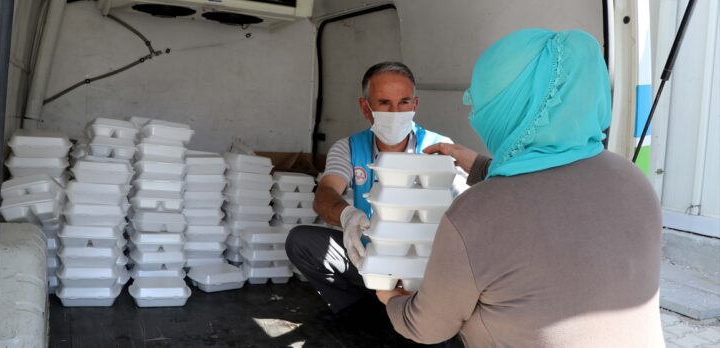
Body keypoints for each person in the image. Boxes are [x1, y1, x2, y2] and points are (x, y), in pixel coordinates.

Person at [375, 29, 665, 347]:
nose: (476, 116)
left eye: (486, 104)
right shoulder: (634, 180)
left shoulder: (476, 214)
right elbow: (551, 200)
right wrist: (477, 164)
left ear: (511, 108)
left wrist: (390, 297)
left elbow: (427, 328)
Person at [285, 61, 463, 321]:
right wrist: (348, 217)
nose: (395, 111)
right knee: (301, 241)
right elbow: (325, 193)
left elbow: (466, 205)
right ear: (365, 108)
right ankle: (361, 310)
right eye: (384, 103)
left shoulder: (439, 148)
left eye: (404, 102)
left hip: (425, 266)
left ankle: (422, 314)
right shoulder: (349, 148)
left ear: (415, 105)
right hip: (367, 257)